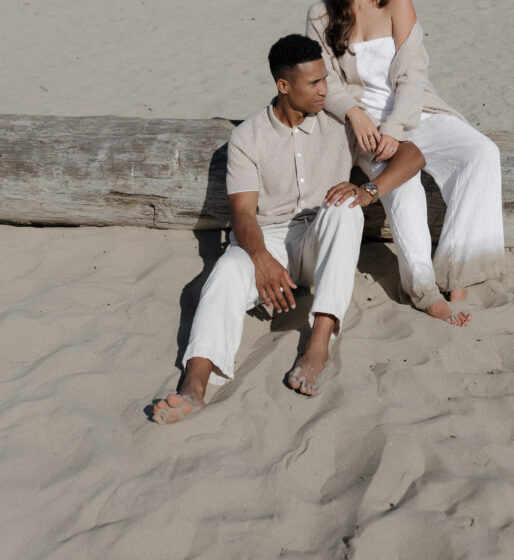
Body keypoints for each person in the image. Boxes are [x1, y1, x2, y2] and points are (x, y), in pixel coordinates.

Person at [152, 34, 424, 423]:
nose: (325, 90)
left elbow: (412, 155)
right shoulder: (248, 136)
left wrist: (368, 191)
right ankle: (194, 386)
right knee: (225, 271)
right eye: (314, 83)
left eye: (324, 79)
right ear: (283, 85)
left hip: (321, 243)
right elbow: (243, 213)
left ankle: (318, 344)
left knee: (345, 208)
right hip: (270, 241)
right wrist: (260, 257)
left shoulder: (342, 123)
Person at [306, 0, 505, 326]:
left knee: (482, 154)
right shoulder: (321, 14)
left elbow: (413, 75)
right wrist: (356, 115)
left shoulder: (397, 1)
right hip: (364, 128)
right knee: (405, 186)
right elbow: (325, 80)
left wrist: (396, 129)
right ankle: (424, 289)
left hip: (415, 113)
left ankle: (457, 272)